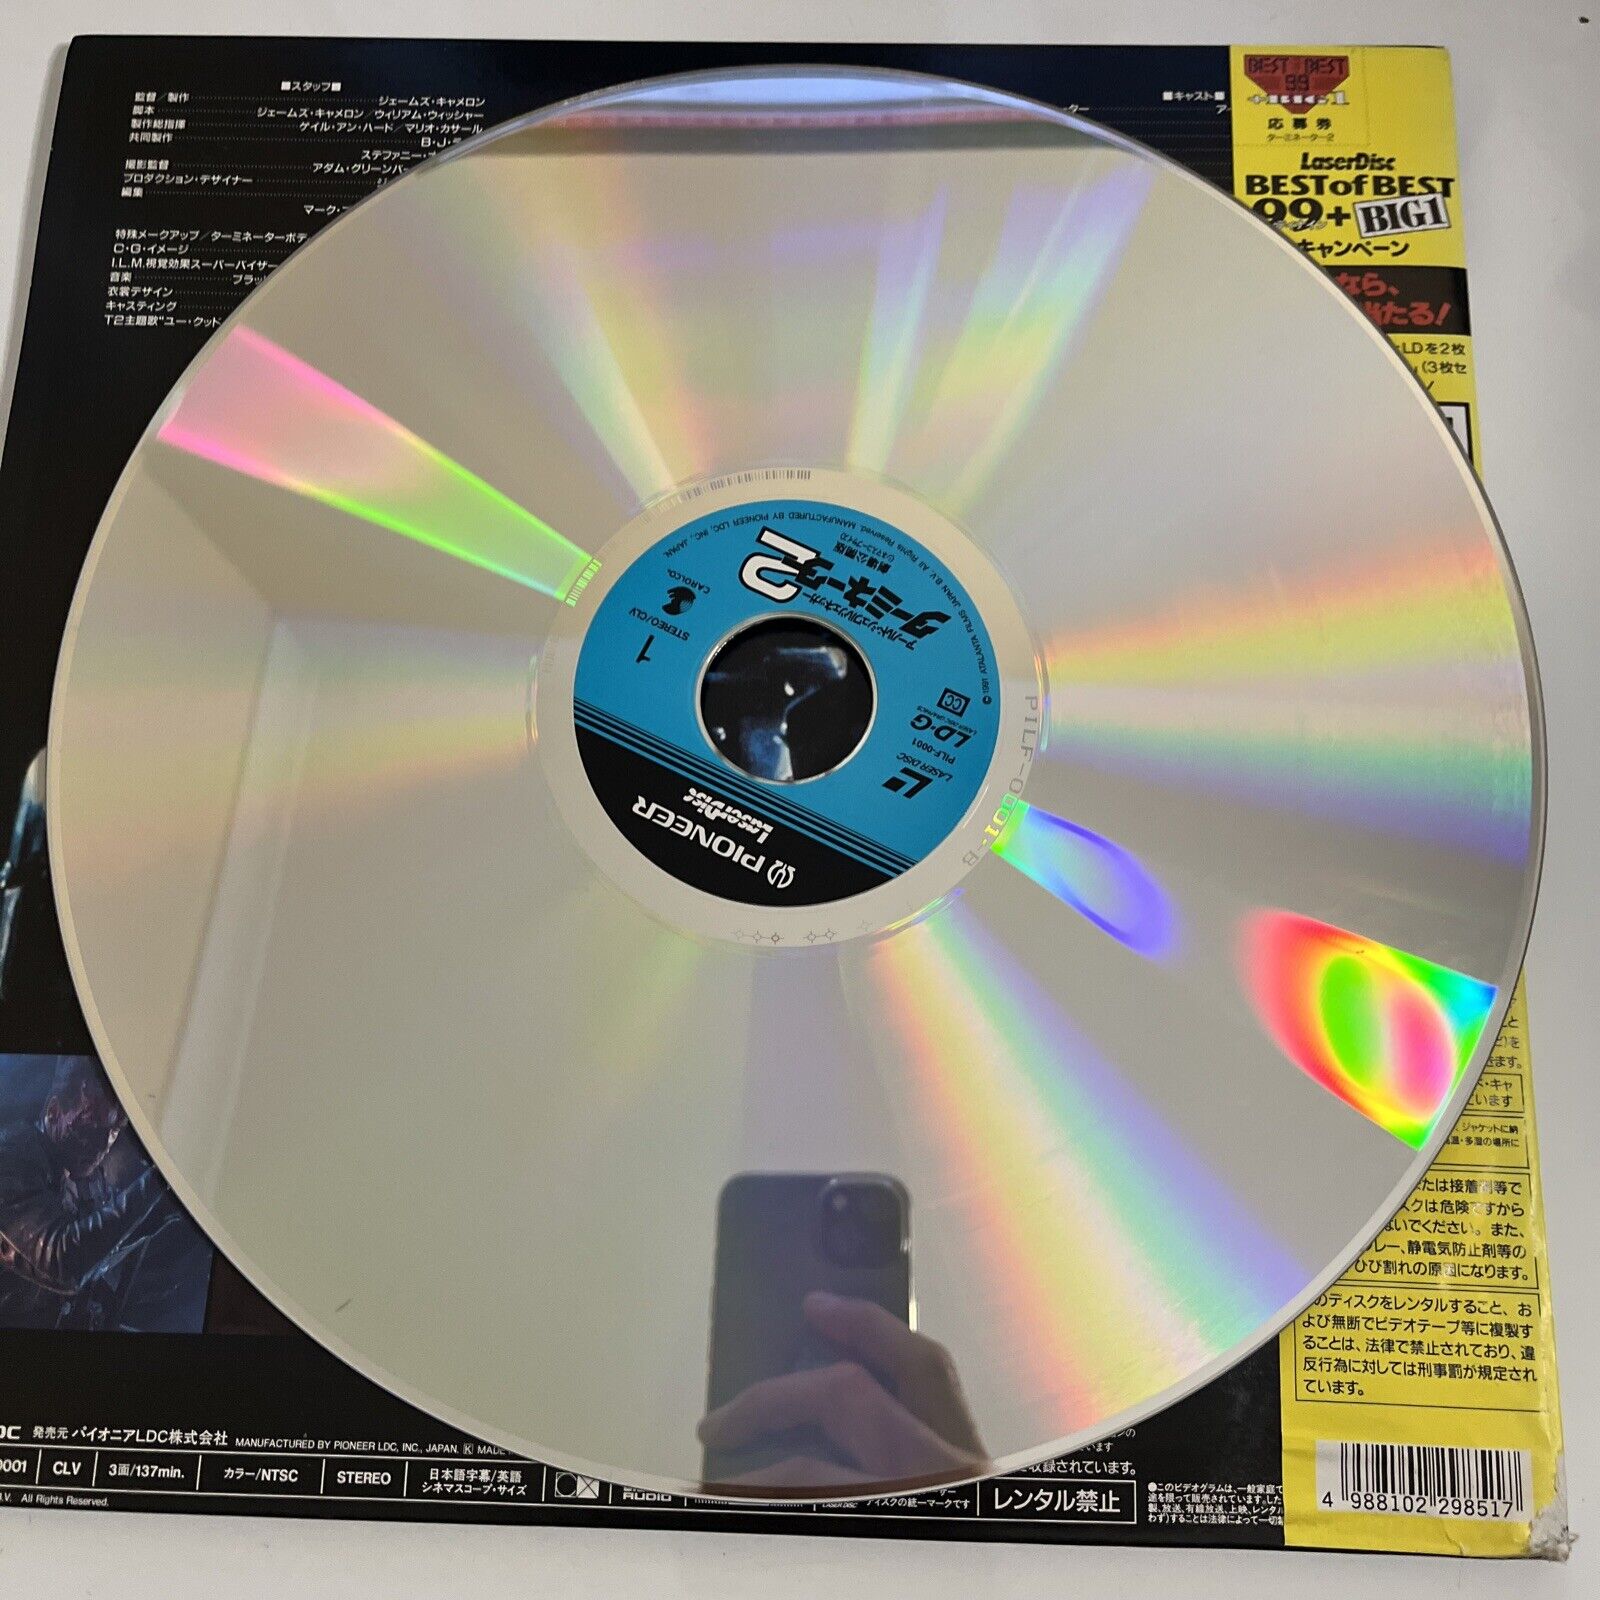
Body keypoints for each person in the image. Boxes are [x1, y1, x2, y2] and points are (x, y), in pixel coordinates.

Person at [0, 1058, 183, 1328]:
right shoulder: (11, 1156)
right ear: (54, 1112)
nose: (103, 1144)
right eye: (93, 1126)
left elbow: (97, 1257)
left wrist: (158, 1211)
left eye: (113, 1131)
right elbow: (62, 1261)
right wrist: (159, 1182)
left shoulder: (77, 1177)